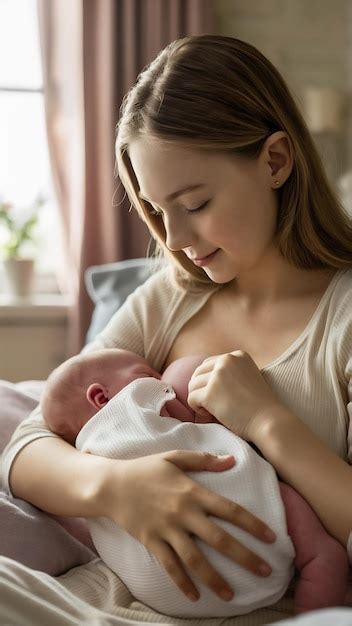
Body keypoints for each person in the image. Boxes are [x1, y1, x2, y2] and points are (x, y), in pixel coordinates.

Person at [1, 33, 352, 626]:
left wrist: (267, 421)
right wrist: (113, 489)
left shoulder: (339, 320)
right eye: (158, 211)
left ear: (275, 161)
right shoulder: (173, 295)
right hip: (117, 602)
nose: (176, 239)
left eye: (195, 202)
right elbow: (25, 450)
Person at [41, 348, 348, 617]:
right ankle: (314, 606)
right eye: (148, 374)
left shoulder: (84, 447)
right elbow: (26, 444)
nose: (159, 380)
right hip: (255, 538)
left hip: (165, 594)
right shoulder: (131, 401)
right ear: (101, 396)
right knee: (314, 544)